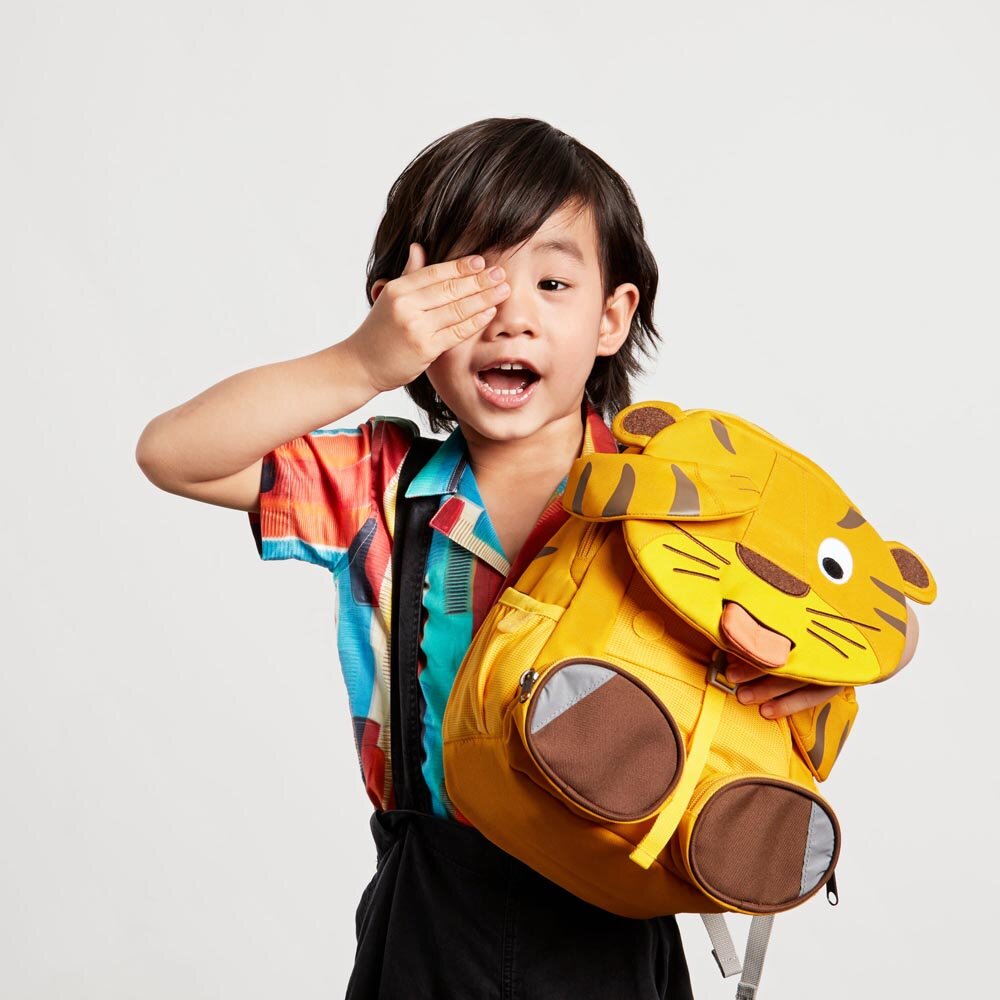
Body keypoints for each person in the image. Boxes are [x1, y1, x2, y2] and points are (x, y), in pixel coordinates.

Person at [135, 117, 893, 999]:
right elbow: (174, 454)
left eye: (553, 282)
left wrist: (813, 673)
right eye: (470, 286)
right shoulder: (380, 489)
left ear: (613, 318)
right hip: (432, 914)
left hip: (613, 907)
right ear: (403, 308)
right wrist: (361, 362)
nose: (511, 316)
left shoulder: (673, 491)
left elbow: (846, 594)